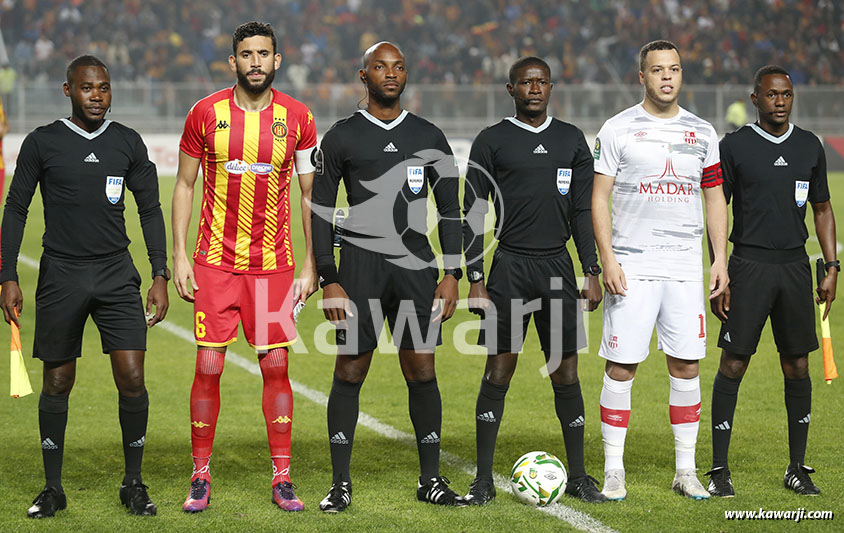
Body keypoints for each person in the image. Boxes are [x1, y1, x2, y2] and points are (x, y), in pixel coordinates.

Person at [0, 55, 169, 518]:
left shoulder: (127, 142)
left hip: (116, 274)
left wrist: (159, 273)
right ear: (68, 90)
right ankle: (52, 488)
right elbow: (16, 208)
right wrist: (8, 275)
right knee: (58, 381)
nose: (97, 96)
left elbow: (150, 209)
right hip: (61, 274)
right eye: (87, 87)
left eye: (104, 87)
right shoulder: (43, 142)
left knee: (132, 377)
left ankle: (133, 483)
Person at [312, 41, 465, 512]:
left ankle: (430, 480)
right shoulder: (341, 136)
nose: (391, 74)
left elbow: (451, 209)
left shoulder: (429, 135)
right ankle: (340, 484)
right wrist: (329, 277)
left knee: (422, 369)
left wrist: (452, 272)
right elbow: (320, 211)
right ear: (364, 76)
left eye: (398, 67)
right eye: (380, 67)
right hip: (360, 266)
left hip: (415, 267)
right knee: (350, 369)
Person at [171, 21, 318, 513]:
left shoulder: (299, 118)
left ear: (278, 60)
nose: (256, 62)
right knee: (208, 364)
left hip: (273, 267)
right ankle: (200, 474)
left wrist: (312, 263)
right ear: (233, 61)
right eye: (247, 54)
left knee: (276, 366)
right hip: (214, 264)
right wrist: (179, 255)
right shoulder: (205, 113)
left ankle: (282, 477)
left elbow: (310, 195)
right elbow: (185, 185)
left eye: (264, 53)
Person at [460, 57, 605, 505]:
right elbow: (473, 211)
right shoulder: (492, 140)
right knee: (498, 369)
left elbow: (582, 211)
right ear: (511, 89)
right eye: (526, 82)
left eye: (542, 81)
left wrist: (592, 270)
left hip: (557, 267)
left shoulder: (571, 140)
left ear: (552, 87)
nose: (535, 88)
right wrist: (476, 277)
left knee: (566, 372)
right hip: (509, 267)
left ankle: (578, 476)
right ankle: (483, 480)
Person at [591, 40, 729, 501]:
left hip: (684, 271)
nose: (667, 77)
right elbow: (598, 198)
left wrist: (719, 259)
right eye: (657, 70)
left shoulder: (702, 132)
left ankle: (685, 471)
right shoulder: (618, 129)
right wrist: (608, 259)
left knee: (686, 365)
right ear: (642, 77)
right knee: (622, 366)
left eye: (674, 69)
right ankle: (614, 470)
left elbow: (715, 197)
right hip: (631, 268)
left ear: (681, 75)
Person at [706, 65, 837, 497]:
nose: (780, 101)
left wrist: (832, 267)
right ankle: (719, 469)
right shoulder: (735, 145)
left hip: (795, 268)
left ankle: (796, 468)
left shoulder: (809, 145)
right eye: (772, 94)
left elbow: (822, 209)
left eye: (786, 94)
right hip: (748, 266)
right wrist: (720, 270)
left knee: (797, 365)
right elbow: (717, 210)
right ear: (756, 98)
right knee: (734, 363)